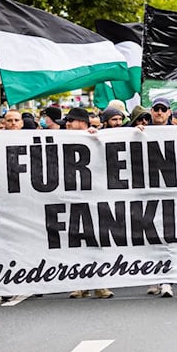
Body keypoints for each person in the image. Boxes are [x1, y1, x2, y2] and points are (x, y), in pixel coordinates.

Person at [58, 108, 114, 299]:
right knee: (76, 241)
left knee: (97, 241)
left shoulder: (97, 136)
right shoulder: (62, 138)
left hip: (96, 198)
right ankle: (81, 284)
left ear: (82, 122)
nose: (67, 124)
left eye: (70, 121)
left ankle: (101, 284)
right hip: (72, 198)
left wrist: (95, 136)